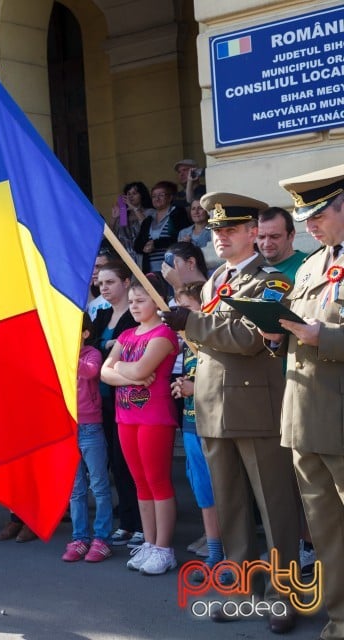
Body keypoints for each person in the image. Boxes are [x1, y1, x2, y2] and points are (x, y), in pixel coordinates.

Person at [160, 192, 298, 634]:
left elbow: (250, 337)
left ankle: (283, 596)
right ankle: (241, 591)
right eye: (217, 230)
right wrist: (188, 327)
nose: (221, 237)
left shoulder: (270, 279)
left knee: (274, 507)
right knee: (232, 505)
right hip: (213, 404)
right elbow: (206, 344)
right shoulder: (217, 278)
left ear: (252, 234)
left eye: (231, 230)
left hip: (255, 405)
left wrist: (191, 322)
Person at [271, 165, 344, 640]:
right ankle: (340, 617)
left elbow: (321, 333)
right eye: (306, 217)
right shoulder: (315, 263)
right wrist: (277, 335)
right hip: (306, 416)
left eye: (317, 214)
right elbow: (299, 328)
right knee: (325, 530)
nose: (308, 225)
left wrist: (326, 337)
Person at [101, 277, 179, 575]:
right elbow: (105, 373)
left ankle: (163, 547)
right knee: (140, 483)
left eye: (140, 301)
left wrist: (123, 370)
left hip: (154, 417)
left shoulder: (163, 334)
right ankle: (149, 542)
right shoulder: (127, 334)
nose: (133, 306)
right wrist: (130, 375)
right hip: (126, 417)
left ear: (158, 302)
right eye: (131, 301)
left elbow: (141, 368)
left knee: (157, 481)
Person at [90, 262, 142, 548]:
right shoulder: (103, 315)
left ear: (125, 282)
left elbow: (131, 350)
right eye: (101, 284)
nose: (104, 288)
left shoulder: (134, 317)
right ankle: (126, 521)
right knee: (114, 463)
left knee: (129, 462)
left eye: (110, 282)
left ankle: (138, 524)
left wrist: (108, 350)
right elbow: (92, 349)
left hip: (128, 399)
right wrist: (106, 349)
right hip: (101, 400)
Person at [170, 283, 223, 569]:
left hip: (212, 426)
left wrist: (195, 388)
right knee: (201, 486)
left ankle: (221, 545)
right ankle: (212, 541)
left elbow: (225, 383)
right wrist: (183, 386)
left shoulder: (211, 343)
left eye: (188, 310)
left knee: (219, 487)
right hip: (190, 423)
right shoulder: (185, 345)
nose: (182, 317)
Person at [61, 314, 112, 563]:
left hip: (90, 426)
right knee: (76, 489)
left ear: (85, 334)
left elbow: (92, 372)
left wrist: (68, 356)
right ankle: (80, 537)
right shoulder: (59, 357)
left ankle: (102, 538)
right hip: (67, 428)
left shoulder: (91, 354)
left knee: (100, 486)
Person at [134, 181, 183, 274]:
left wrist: (156, 244)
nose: (157, 198)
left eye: (161, 195)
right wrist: (144, 247)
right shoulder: (148, 220)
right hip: (151, 271)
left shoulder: (178, 213)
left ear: (170, 197)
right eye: (154, 196)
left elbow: (180, 238)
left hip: (173, 268)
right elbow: (137, 245)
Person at [258, 206, 307, 280]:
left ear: (291, 235)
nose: (267, 244)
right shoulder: (251, 270)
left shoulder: (309, 266)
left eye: (274, 236)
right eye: (261, 237)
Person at [110, 182, 153, 265]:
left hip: (143, 257)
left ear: (142, 195)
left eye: (134, 193)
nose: (130, 196)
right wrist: (114, 218)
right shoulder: (122, 215)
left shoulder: (149, 212)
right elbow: (111, 236)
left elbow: (147, 227)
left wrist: (134, 208)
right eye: (128, 194)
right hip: (124, 258)